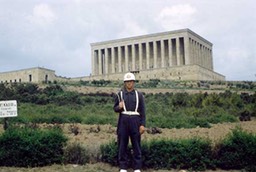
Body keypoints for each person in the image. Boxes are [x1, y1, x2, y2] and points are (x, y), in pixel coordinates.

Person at [113, 72, 146, 172]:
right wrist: (119, 107)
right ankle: (123, 167)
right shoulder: (120, 94)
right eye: (127, 82)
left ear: (134, 82)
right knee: (122, 143)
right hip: (123, 120)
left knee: (136, 144)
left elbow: (143, 111)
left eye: (131, 81)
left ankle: (137, 167)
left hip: (135, 121)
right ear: (124, 83)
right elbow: (115, 108)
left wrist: (142, 124)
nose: (129, 84)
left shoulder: (139, 95)